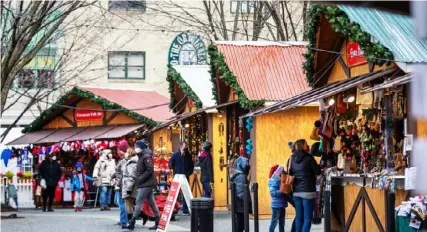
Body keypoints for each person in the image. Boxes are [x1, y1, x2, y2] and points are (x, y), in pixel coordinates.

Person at [124, 140, 159, 231]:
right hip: (146, 182)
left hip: (147, 183)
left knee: (139, 200)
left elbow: (150, 169)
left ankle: (132, 223)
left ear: (141, 147)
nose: (135, 148)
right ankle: (158, 222)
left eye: (137, 146)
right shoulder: (142, 156)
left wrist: (140, 179)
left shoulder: (145, 156)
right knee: (151, 202)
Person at [287, 139, 321, 232]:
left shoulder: (291, 158)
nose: (308, 146)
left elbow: (289, 172)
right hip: (308, 191)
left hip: (296, 192)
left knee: (299, 218)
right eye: (306, 144)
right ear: (303, 146)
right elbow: (317, 171)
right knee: (307, 218)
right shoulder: (309, 157)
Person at [169, 141, 194, 215]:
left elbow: (191, 167)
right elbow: (171, 164)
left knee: (185, 194)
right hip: (177, 176)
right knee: (175, 194)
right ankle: (173, 210)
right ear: (180, 147)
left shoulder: (188, 156)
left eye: (186, 147)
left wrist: (187, 174)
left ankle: (185, 210)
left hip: (185, 176)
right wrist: (176, 172)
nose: (185, 149)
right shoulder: (175, 155)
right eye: (184, 147)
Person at [230, 156, 252, 232]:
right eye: (246, 164)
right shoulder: (241, 176)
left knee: (240, 222)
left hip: (239, 205)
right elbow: (241, 192)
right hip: (241, 205)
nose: (248, 166)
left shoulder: (238, 174)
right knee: (241, 224)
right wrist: (247, 202)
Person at [113, 140, 129, 226]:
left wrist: (117, 184)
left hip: (122, 184)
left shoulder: (124, 160)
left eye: (119, 150)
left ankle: (124, 220)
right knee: (118, 201)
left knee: (121, 202)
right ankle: (124, 218)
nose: (117, 152)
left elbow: (121, 174)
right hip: (121, 183)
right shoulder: (123, 159)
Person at [122, 147, 139, 227]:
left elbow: (131, 176)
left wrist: (128, 188)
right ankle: (132, 221)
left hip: (129, 185)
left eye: (126, 152)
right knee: (130, 204)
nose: (125, 153)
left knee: (128, 204)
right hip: (130, 184)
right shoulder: (131, 161)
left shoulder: (131, 163)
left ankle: (131, 223)